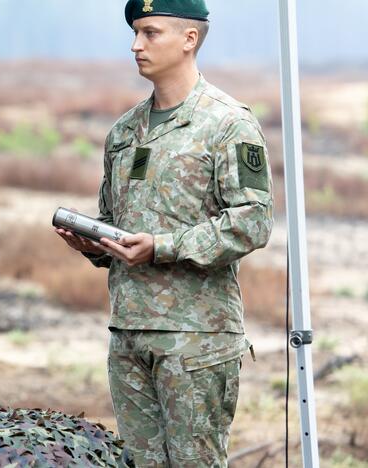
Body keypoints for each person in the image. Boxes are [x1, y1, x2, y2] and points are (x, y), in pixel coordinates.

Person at [55, 1, 273, 465]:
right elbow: (114, 219)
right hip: (130, 331)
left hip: (196, 337)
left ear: (189, 39)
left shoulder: (228, 123)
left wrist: (162, 248)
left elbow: (252, 222)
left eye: (150, 33)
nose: (136, 45)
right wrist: (94, 245)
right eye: (135, 33)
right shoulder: (124, 131)